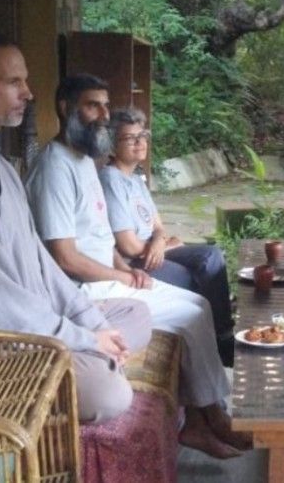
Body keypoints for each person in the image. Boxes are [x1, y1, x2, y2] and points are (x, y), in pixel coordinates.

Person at [0, 32, 152, 424]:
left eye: (24, 81)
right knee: (111, 394)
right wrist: (85, 338)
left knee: (134, 314)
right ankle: (98, 364)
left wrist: (93, 325)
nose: (28, 93)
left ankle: (99, 356)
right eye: (14, 82)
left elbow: (43, 264)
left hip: (35, 326)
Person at [25, 74, 250, 459]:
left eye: (105, 105)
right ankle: (210, 418)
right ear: (66, 107)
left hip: (107, 279)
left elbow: (101, 238)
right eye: (92, 105)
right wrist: (124, 274)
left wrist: (124, 268)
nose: (102, 115)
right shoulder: (55, 168)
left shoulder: (83, 161)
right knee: (189, 313)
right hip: (81, 292)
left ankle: (205, 419)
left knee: (198, 307)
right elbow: (64, 257)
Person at [99, 108, 236, 366]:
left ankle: (223, 335)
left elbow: (159, 226)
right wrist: (159, 244)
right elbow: (127, 245)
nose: (140, 143)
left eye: (143, 135)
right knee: (191, 278)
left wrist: (160, 241)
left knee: (212, 256)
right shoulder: (111, 180)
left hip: (152, 250)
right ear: (112, 146)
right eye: (130, 138)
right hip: (133, 262)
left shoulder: (136, 179)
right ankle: (213, 347)